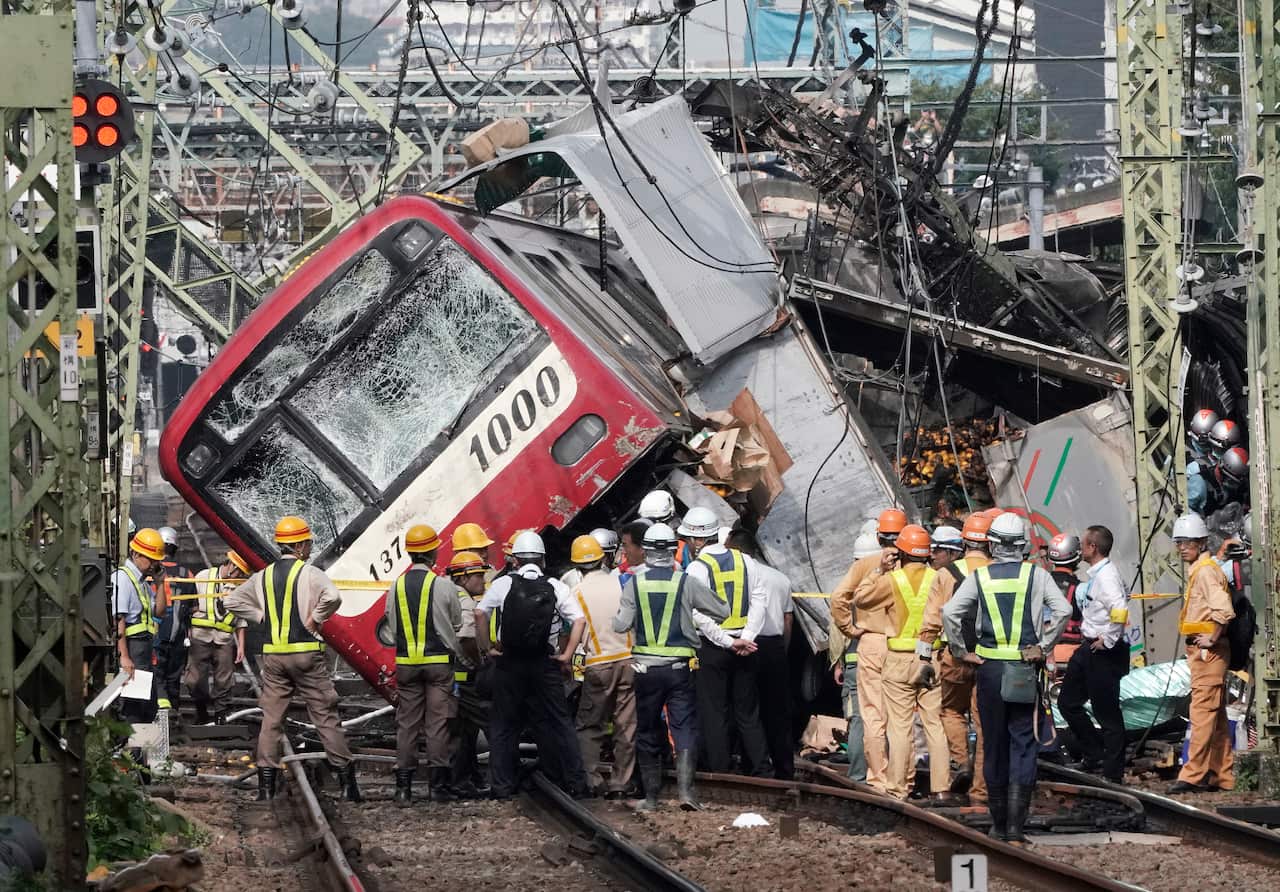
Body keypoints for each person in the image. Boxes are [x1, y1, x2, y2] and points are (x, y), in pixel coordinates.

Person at [942, 512, 1070, 843]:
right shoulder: (1037, 576)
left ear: (993, 544)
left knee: (994, 742)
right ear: (1023, 544)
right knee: (1024, 743)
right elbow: (1064, 611)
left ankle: (998, 825)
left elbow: (950, 612)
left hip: (989, 669)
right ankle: (1016, 828)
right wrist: (1043, 646)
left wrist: (960, 651)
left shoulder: (979, 577)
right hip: (1024, 671)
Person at [223, 516, 359, 802]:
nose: (310, 546)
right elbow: (333, 596)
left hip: (273, 657)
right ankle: (347, 783)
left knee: (271, 721)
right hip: (306, 654)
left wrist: (261, 617)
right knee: (325, 716)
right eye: (307, 542)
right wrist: (315, 619)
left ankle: (266, 788)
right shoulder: (310, 573)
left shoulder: (263, 576)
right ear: (298, 546)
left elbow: (231, 601)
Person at [612, 523, 742, 810]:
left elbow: (620, 625)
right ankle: (687, 794)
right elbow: (721, 610)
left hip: (645, 670)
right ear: (674, 551)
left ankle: (651, 798)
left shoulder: (634, 583)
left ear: (645, 551)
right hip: (679, 669)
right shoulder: (686, 582)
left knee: (646, 729)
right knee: (684, 728)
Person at [475, 531, 590, 799]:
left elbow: (480, 613)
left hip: (509, 663)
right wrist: (567, 655)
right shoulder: (556, 586)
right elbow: (580, 620)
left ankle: (502, 785)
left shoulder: (503, 584)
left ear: (515, 560)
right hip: (544, 663)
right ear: (542, 559)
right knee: (558, 721)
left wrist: (488, 648)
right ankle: (574, 781)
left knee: (504, 724)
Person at [854, 525, 953, 802]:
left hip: (898, 659)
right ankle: (942, 787)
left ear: (901, 553)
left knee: (899, 727)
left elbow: (861, 598)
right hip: (931, 657)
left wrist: (878, 570)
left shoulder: (891, 580)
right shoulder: (940, 578)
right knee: (934, 723)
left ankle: (898, 788)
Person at [680, 506, 771, 776]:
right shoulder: (746, 561)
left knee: (714, 711)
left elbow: (695, 613)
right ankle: (760, 769)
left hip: (714, 648)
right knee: (748, 711)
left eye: (688, 539)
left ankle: (720, 769)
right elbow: (759, 600)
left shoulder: (697, 568)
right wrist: (746, 637)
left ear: (698, 540)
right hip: (746, 647)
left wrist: (726, 641)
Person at [829, 507, 908, 792]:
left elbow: (838, 599)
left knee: (868, 716)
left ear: (879, 535)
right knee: (900, 716)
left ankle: (870, 779)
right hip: (903, 646)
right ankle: (900, 781)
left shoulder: (866, 565)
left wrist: (850, 630)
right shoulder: (913, 566)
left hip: (869, 645)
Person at [384, 524, 463, 806]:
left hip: (406, 663)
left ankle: (403, 788)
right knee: (437, 724)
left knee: (407, 724)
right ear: (432, 551)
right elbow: (457, 623)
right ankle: (437, 787)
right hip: (439, 663)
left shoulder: (396, 586)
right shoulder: (442, 585)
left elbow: (390, 625)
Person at [1168, 513, 1236, 793]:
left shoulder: (1206, 571)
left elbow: (1223, 611)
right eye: (1179, 543)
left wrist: (1213, 638)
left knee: (1201, 713)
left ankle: (1192, 775)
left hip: (1208, 653)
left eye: (1188, 542)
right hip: (1202, 653)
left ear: (1201, 542)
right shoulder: (1201, 569)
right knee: (1215, 717)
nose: (1182, 547)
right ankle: (1224, 776)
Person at [1057, 526, 1130, 782]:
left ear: (1092, 548)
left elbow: (1119, 609)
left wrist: (1108, 639)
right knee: (1067, 702)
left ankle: (1112, 772)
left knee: (1107, 713)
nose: (1081, 548)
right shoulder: (1098, 576)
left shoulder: (1106, 577)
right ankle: (1094, 752)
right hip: (1088, 648)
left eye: (1085, 543)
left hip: (1103, 652)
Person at [569, 535, 637, 798]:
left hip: (598, 663)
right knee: (626, 724)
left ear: (577, 566)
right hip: (628, 659)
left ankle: (592, 780)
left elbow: (572, 628)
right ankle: (622, 781)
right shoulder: (620, 583)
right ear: (602, 558)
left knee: (590, 725)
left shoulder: (576, 593)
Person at [727, 529, 796, 780]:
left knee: (747, 710)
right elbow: (787, 620)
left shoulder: (740, 577)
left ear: (736, 550)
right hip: (775, 646)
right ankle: (785, 768)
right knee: (777, 710)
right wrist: (782, 651)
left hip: (747, 645)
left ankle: (753, 765)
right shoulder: (781, 578)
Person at [935, 513, 993, 802]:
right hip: (990, 658)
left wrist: (925, 657)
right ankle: (981, 791)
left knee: (950, 711)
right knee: (984, 726)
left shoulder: (947, 573)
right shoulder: (1000, 572)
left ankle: (962, 763)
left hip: (955, 656)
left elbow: (932, 619)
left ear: (964, 541)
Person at [830, 532, 881, 781]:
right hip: (886, 661)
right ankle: (882, 775)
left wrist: (838, 661)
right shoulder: (889, 582)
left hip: (856, 664)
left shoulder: (848, 587)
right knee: (885, 717)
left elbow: (837, 630)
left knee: (859, 719)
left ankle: (859, 775)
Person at [446, 550, 492, 798]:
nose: (483, 581)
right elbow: (465, 637)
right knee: (492, 721)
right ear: (463, 578)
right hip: (465, 678)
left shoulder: (446, 594)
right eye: (478, 576)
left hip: (449, 678)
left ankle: (463, 781)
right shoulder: (464, 600)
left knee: (463, 733)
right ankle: (504, 777)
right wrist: (479, 662)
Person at [185, 550, 249, 724]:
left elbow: (241, 619)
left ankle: (221, 714)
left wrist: (241, 646)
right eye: (239, 572)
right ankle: (201, 709)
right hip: (200, 637)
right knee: (195, 679)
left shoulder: (239, 588)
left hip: (224, 639)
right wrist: (188, 629)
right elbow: (188, 604)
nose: (240, 576)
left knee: (225, 679)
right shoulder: (204, 577)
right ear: (232, 566)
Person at [113, 528, 168, 725]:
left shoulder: (143, 582)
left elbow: (159, 612)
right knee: (133, 705)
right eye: (150, 559)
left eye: (156, 561)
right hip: (133, 649)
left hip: (143, 650)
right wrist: (124, 657)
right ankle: (131, 751)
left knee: (148, 705)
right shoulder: (123, 578)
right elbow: (118, 619)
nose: (154, 564)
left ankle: (138, 750)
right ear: (135, 554)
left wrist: (161, 583)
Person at [152, 527, 194, 717]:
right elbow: (193, 605)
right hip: (179, 634)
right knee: (174, 676)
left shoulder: (151, 571)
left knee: (156, 674)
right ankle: (174, 713)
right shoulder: (187, 573)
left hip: (156, 631)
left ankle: (160, 712)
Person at [618, 521, 649, 585]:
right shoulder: (619, 573)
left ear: (642, 548)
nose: (623, 551)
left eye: (625, 545)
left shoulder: (671, 570)